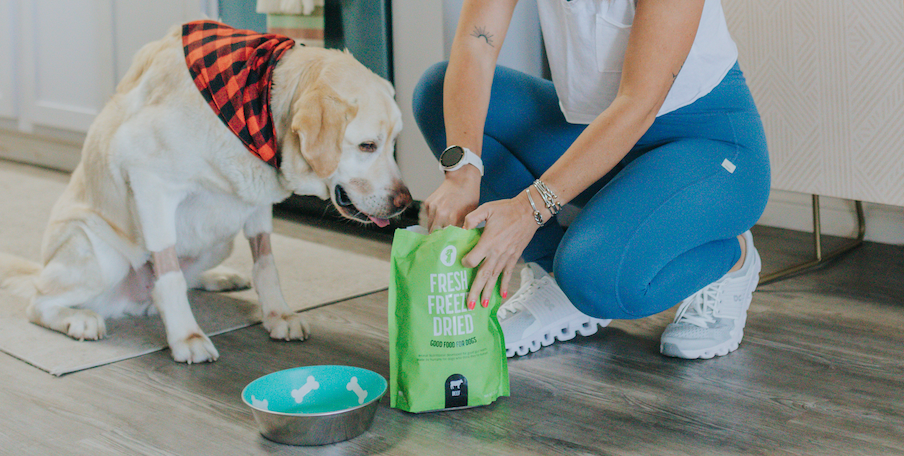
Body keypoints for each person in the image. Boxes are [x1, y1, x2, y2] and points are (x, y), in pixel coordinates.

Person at [412, 0, 770, 360]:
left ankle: (731, 255)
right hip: (598, 137)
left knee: (595, 278)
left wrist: (527, 211)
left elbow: (638, 103)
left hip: (708, 148)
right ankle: (554, 280)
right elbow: (477, 41)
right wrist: (462, 173)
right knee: (437, 92)